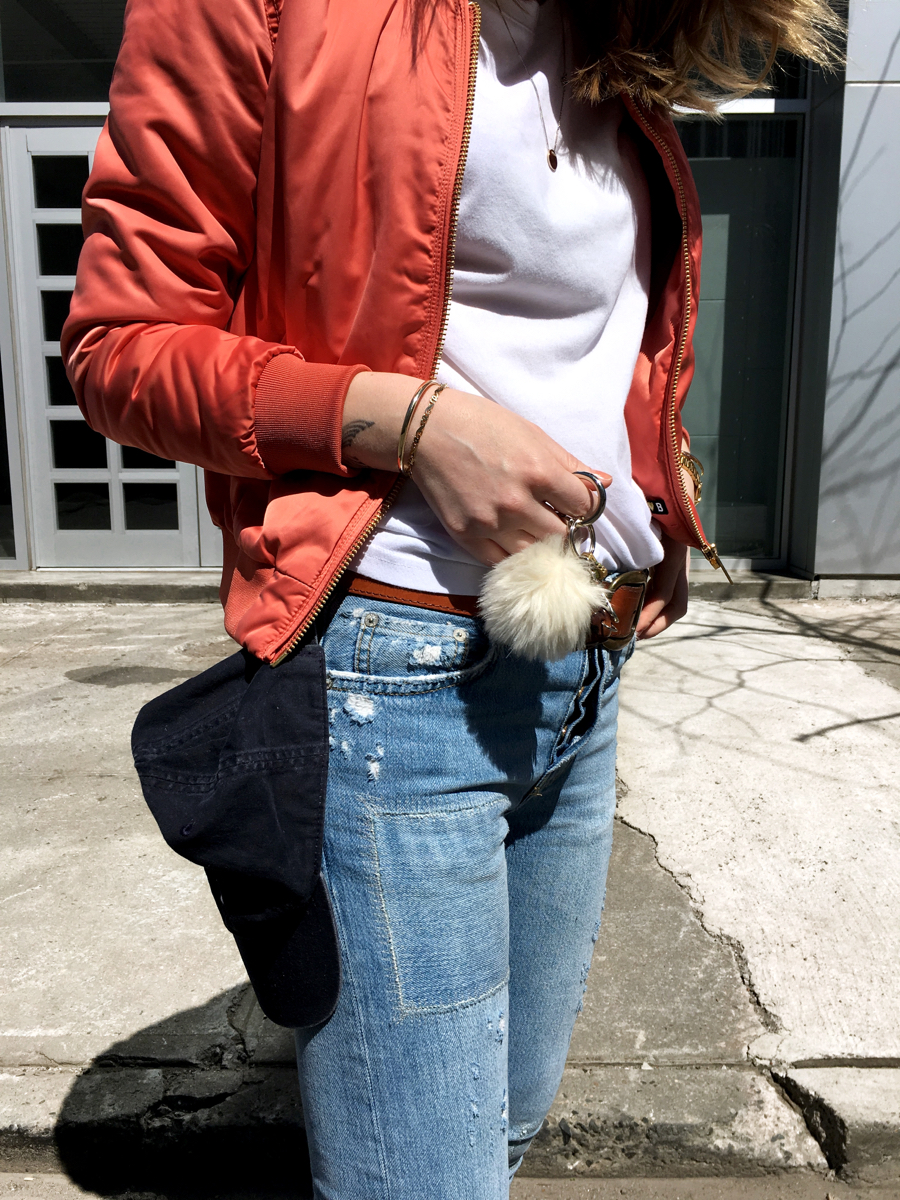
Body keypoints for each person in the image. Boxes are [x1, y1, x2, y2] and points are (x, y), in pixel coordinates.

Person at [62, 0, 839, 1194]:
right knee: (425, 1179)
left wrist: (656, 498)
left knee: (503, 1132)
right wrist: (412, 427)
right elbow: (122, 347)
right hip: (399, 674)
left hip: (584, 661)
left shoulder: (610, 22)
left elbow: (588, 326)